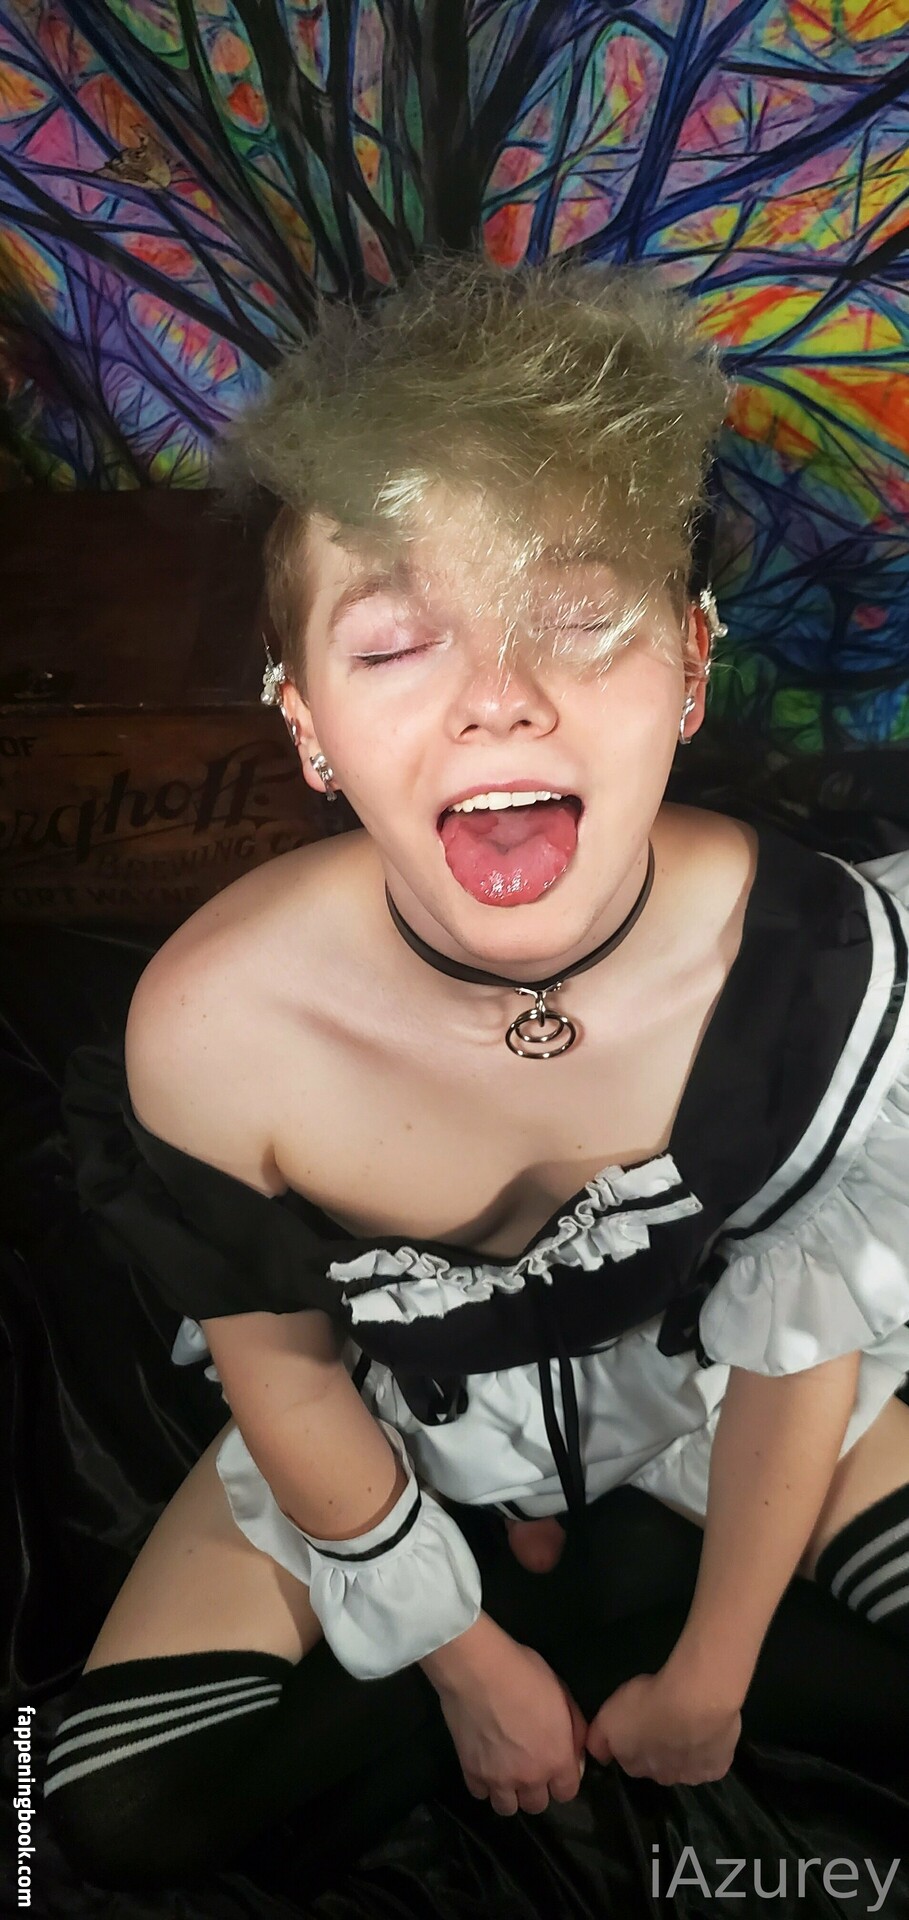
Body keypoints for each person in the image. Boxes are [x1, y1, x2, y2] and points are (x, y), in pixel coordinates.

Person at [45, 250, 909, 1888]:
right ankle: (572, 1605)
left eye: (577, 622)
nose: (497, 703)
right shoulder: (214, 1026)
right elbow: (287, 1374)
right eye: (394, 646)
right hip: (396, 1426)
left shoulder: (820, 960)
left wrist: (712, 1676)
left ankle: (638, 1589)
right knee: (112, 1806)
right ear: (305, 721)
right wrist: (464, 1659)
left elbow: (803, 1343)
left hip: (716, 1398)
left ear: (690, 663)